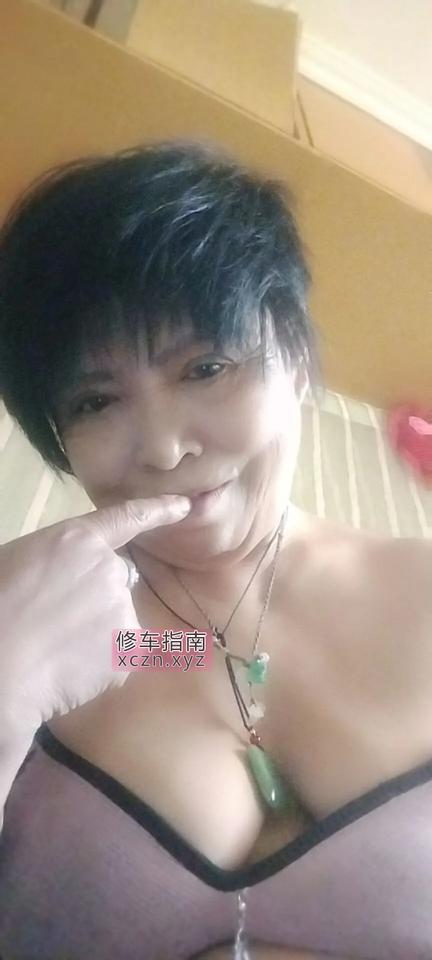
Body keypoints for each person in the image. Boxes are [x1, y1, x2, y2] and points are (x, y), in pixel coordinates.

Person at [0, 138, 431, 960]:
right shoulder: (29, 621)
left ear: (296, 360)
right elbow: (157, 652)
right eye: (96, 401)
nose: (164, 448)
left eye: (205, 368)